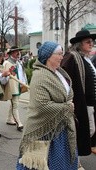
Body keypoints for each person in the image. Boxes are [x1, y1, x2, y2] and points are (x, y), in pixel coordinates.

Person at [16, 41, 78, 170]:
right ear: (49, 55)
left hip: (62, 127)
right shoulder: (40, 76)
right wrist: (67, 107)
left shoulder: (58, 72)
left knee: (64, 163)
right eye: (59, 54)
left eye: (62, 54)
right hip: (45, 130)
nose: (62, 57)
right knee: (45, 164)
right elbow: (42, 106)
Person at [61, 29, 96, 167]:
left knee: (89, 130)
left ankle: (74, 158)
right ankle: (74, 160)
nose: (91, 44)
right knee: (82, 131)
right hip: (80, 103)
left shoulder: (86, 58)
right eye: (88, 42)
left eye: (92, 41)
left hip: (90, 102)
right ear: (79, 44)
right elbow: (63, 78)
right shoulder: (71, 57)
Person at [3, 46, 28, 131]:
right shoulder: (7, 63)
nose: (18, 53)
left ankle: (9, 119)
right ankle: (19, 123)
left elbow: (22, 74)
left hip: (19, 86)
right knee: (15, 105)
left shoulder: (19, 63)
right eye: (16, 51)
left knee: (14, 103)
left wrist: (24, 83)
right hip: (12, 87)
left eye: (19, 51)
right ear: (11, 53)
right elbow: (4, 76)